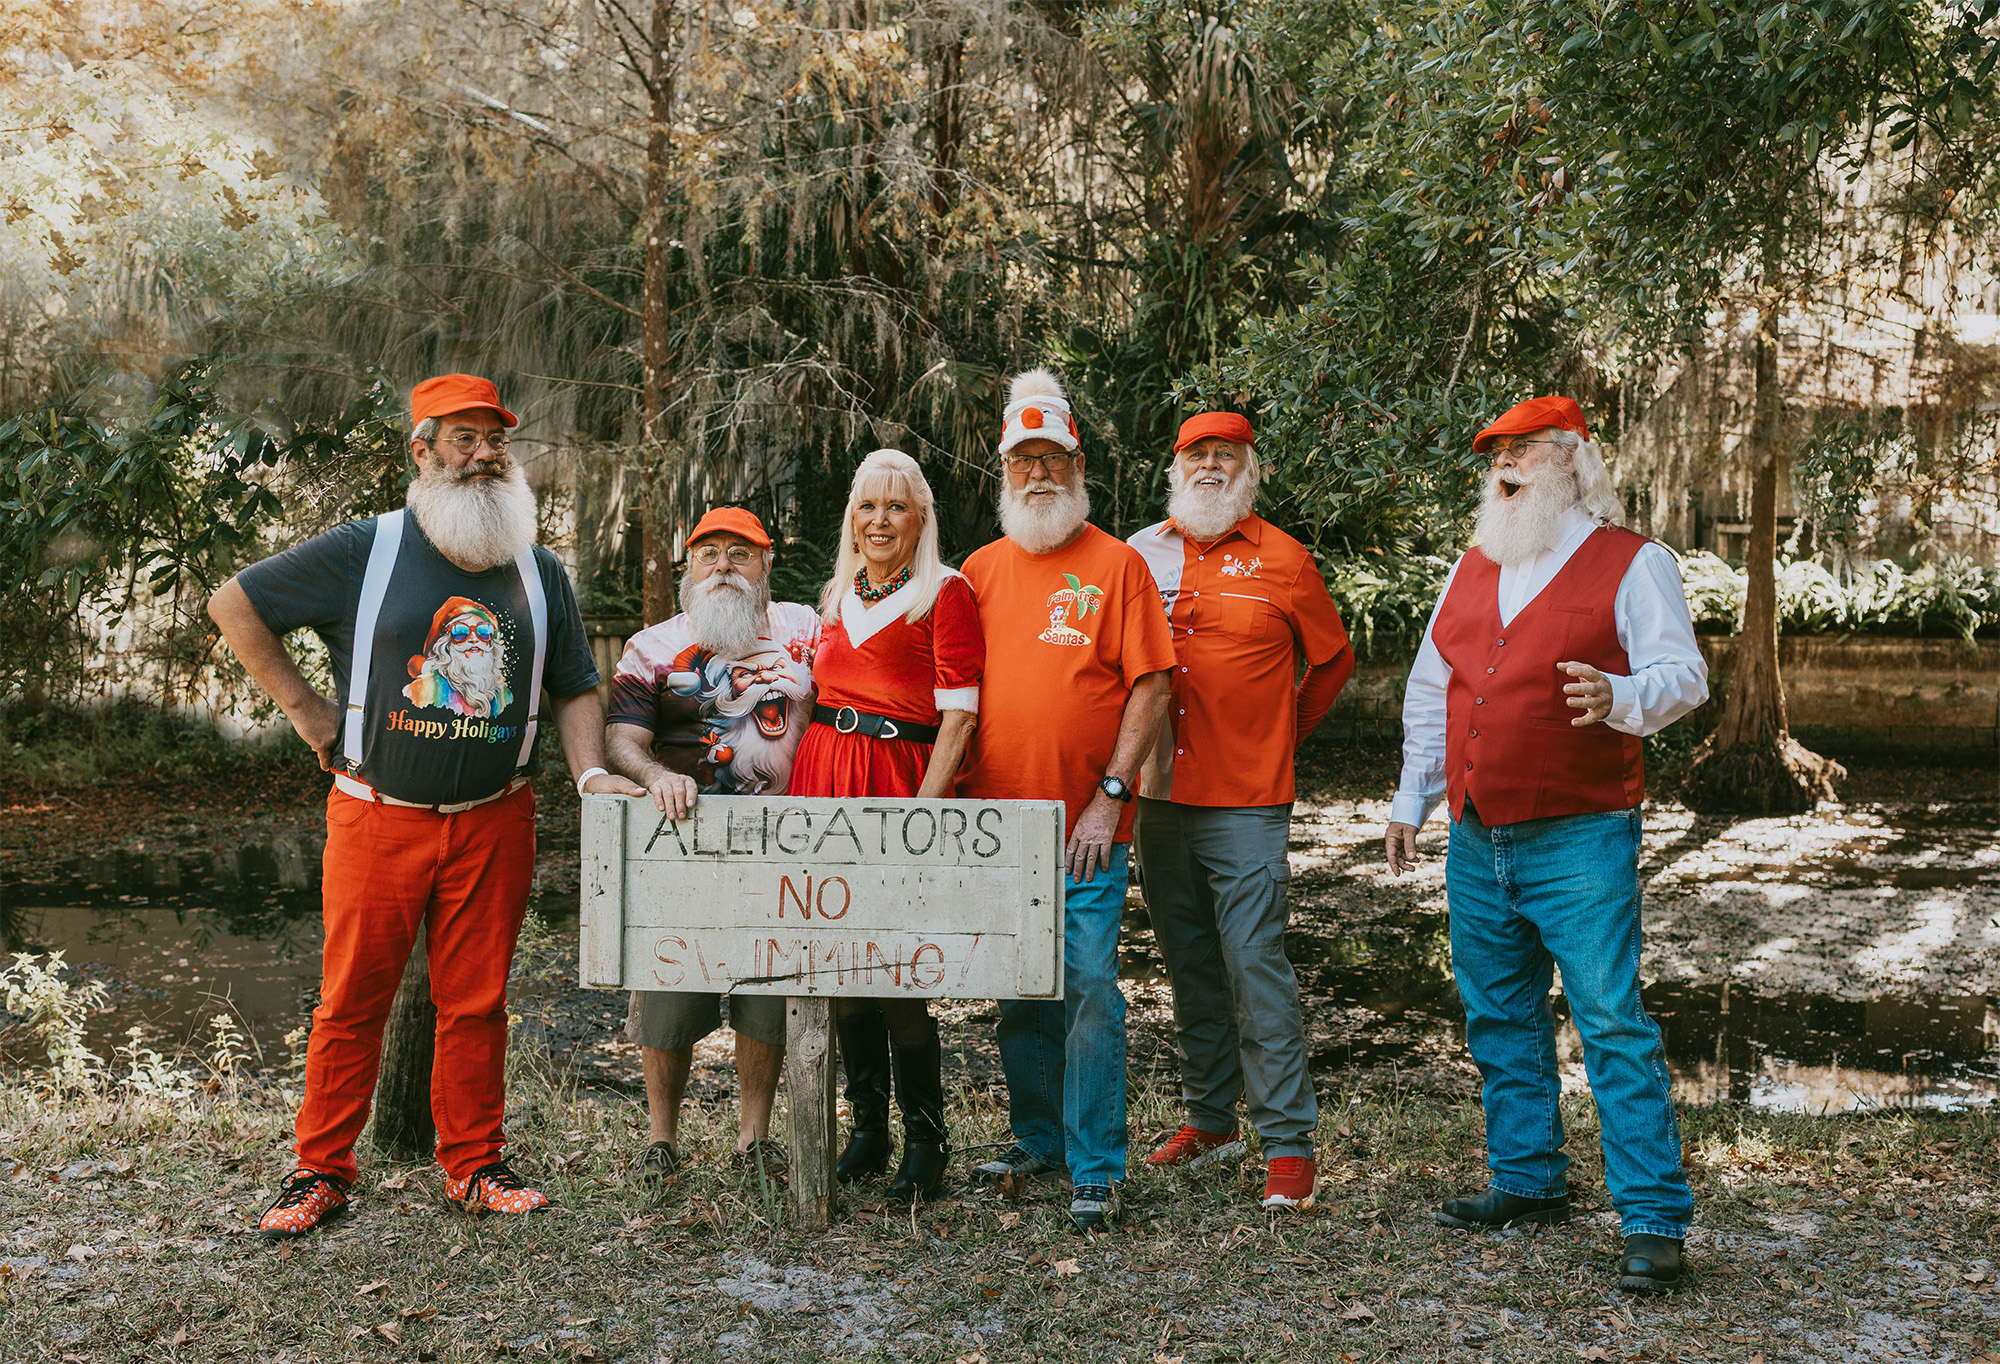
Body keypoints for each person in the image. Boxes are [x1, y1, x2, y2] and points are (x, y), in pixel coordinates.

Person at [210, 374, 645, 1238]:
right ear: (422, 451)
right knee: (349, 1002)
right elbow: (235, 604)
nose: (485, 455)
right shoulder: (367, 549)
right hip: (378, 814)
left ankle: (475, 1166)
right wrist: (307, 712)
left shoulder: (538, 568)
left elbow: (573, 685)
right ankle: (320, 1173)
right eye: (463, 439)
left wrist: (592, 775)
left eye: (497, 440)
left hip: (496, 816)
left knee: (477, 1002)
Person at [1382, 395, 1709, 1293]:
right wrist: (1412, 798)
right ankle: (1528, 1181)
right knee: (1499, 1014)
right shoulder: (1472, 565)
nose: (1505, 462)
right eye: (1497, 450)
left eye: (1522, 448)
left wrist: (1619, 696)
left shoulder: (1633, 561)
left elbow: (1684, 675)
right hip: (1475, 831)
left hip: (1581, 832)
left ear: (1571, 458)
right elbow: (1432, 688)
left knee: (1611, 1022)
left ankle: (1653, 1219)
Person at [957, 369, 1174, 1232]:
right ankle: (1038, 1139)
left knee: (1087, 987)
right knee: (1020, 992)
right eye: (1023, 461)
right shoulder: (977, 572)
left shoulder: (1118, 565)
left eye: (1053, 458)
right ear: (1003, 472)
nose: (1038, 474)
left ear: (1080, 466)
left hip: (1087, 824)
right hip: (998, 826)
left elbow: (1151, 686)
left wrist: (1110, 795)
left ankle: (1097, 1165)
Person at [1127, 411, 1355, 1210]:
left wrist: (1282, 734)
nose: (1211, 466)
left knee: (1255, 965)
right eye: (1197, 454)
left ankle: (1288, 1145)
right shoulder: (1137, 554)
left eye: (1227, 455)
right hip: (1157, 796)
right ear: (1175, 468)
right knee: (1187, 962)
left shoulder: (1285, 558)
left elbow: (1332, 662)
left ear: (1249, 471)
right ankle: (1210, 1120)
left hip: (1248, 802)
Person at [785, 449, 983, 1203]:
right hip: (824, 783)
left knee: (897, 968)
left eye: (896, 506)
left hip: (900, 786)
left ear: (921, 518)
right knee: (839, 964)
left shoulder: (946, 593)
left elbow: (959, 720)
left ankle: (928, 1139)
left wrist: (920, 819)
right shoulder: (837, 594)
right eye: (867, 506)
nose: (879, 520)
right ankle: (868, 1131)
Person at [604, 506, 820, 1182]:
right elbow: (622, 739)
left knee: (767, 990)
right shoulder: (652, 646)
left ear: (766, 565)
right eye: (709, 554)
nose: (723, 566)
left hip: (782, 846)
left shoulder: (806, 629)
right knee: (668, 988)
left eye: (740, 553)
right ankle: (661, 1141)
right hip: (681, 844)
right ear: (688, 569)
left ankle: (753, 1139)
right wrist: (653, 776)